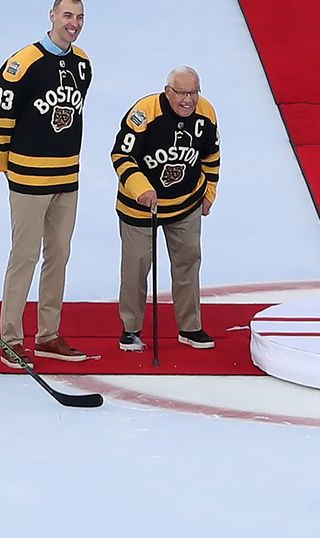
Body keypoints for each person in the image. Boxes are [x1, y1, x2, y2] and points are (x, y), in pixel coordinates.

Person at [0, 0, 92, 368]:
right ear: (52, 17)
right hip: (29, 178)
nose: (74, 23)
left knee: (59, 255)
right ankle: (10, 338)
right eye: (67, 16)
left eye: (79, 17)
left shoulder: (82, 64)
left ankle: (48, 334)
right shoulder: (22, 64)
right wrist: (6, 169)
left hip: (67, 177)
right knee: (24, 256)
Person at [111, 66, 221, 351]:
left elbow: (211, 155)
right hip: (141, 206)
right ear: (168, 92)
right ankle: (131, 328)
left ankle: (190, 327)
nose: (188, 100)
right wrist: (141, 189)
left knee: (188, 262)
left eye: (194, 92)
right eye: (182, 93)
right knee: (136, 267)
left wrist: (209, 193)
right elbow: (121, 155)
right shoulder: (144, 113)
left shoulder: (206, 113)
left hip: (186, 203)